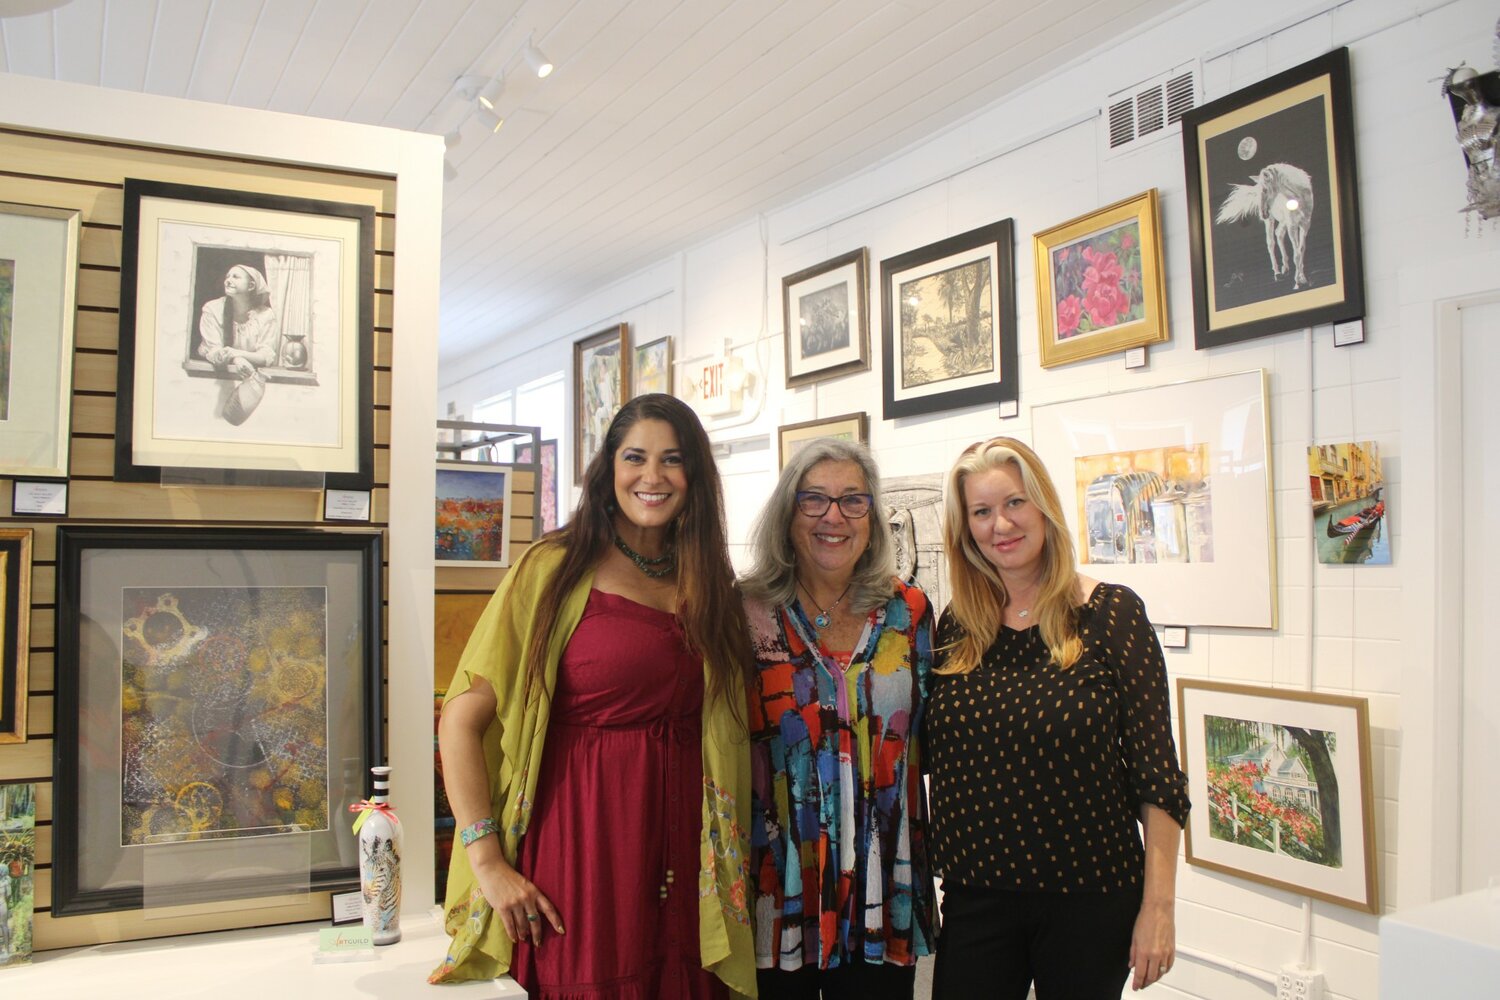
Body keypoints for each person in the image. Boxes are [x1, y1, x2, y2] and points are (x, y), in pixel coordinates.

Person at [430, 393, 757, 998]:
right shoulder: (552, 570)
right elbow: (460, 720)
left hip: (688, 858)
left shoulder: (709, 580)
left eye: (672, 460)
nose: (652, 477)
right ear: (608, 469)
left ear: (696, 477)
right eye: (635, 457)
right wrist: (488, 863)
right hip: (581, 854)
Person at [926, 437, 1190, 998]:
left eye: (1015, 503)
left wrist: (1158, 910)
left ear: (1044, 506)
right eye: (982, 511)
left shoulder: (1112, 615)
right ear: (966, 528)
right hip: (977, 895)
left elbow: (1159, 780)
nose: (1001, 524)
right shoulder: (958, 625)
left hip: (1090, 900)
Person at [740, 438, 936, 999]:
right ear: (787, 513)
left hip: (883, 885)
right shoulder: (746, 613)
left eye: (853, 500)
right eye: (814, 500)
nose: (834, 516)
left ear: (872, 518)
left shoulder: (911, 613)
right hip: (779, 889)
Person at [197, 264, 279, 379]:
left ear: (251, 286)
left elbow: (265, 356)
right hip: (216, 378)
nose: (228, 281)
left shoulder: (265, 315)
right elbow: (215, 351)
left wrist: (235, 353)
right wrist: (237, 359)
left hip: (252, 377)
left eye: (235, 277)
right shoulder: (213, 309)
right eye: (227, 277)